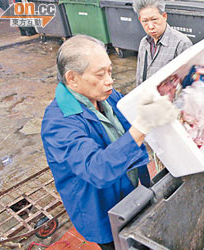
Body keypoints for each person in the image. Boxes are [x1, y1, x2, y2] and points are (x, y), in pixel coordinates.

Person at [41, 35, 179, 250]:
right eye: (100, 74)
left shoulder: (106, 95)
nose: (109, 80)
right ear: (72, 78)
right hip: (100, 210)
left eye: (110, 71)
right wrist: (142, 125)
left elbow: (131, 112)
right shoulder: (58, 124)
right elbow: (97, 169)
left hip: (130, 190)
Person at [133, 0, 192, 85]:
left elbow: (188, 84)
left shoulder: (181, 43)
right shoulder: (144, 43)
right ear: (140, 20)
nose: (150, 26)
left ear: (164, 16)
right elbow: (140, 78)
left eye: (154, 19)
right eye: (145, 21)